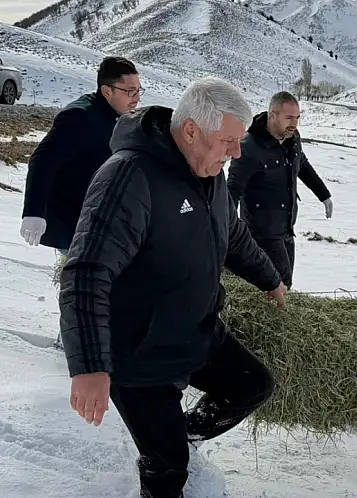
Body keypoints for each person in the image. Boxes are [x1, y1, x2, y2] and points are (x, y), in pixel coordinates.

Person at [58, 76, 287, 498]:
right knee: (168, 469)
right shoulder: (129, 177)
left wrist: (270, 279)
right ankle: (164, 456)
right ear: (191, 130)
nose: (237, 152)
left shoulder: (208, 171)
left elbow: (232, 234)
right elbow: (86, 272)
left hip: (194, 331)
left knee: (252, 385)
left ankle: (176, 437)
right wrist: (89, 366)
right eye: (229, 141)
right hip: (139, 354)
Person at [20, 55, 142, 254]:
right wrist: (34, 212)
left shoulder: (117, 116)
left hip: (102, 222)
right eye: (130, 91)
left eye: (138, 90)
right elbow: (42, 161)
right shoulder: (79, 117)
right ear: (107, 91)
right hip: (73, 226)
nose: (136, 98)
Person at [227, 91, 333, 289]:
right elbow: (233, 188)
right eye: (289, 117)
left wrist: (324, 195)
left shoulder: (293, 138)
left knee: (282, 282)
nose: (295, 123)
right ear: (273, 115)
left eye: (297, 117)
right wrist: (224, 226)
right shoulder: (250, 146)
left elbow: (302, 165)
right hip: (261, 230)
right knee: (280, 282)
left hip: (286, 227)